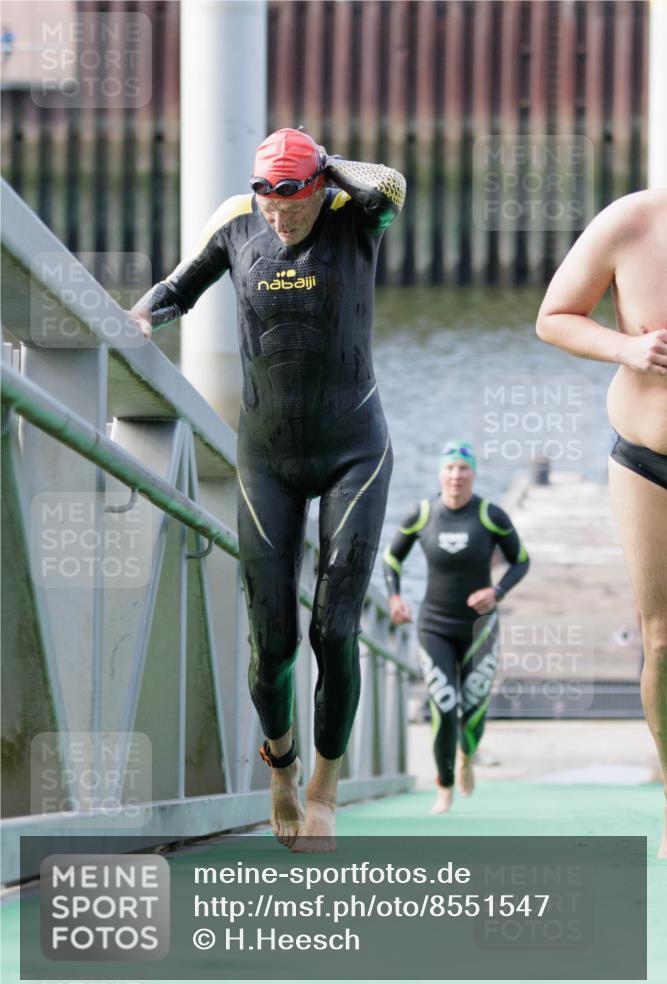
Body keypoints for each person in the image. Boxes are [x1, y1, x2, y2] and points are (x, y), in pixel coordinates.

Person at [129, 127, 405, 851]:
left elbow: (391, 182)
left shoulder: (355, 221)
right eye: (267, 199)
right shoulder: (239, 228)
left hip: (354, 451)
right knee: (273, 642)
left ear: (317, 188)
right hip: (266, 460)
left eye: (292, 199)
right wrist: (136, 317)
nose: (279, 217)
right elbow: (176, 290)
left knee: (334, 629)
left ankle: (324, 787)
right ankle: (279, 769)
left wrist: (322, 167)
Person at [536, 188, 667, 857]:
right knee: (661, 638)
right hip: (646, 458)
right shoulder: (631, 222)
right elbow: (554, 318)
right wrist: (626, 348)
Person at [384, 440, 529, 813]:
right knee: (445, 705)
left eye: (463, 468)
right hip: (435, 627)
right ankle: (444, 786)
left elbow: (521, 561)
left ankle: (468, 754)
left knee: (474, 711)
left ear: (473, 474)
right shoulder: (422, 514)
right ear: (440, 474)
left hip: (480, 629)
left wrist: (496, 591)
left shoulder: (489, 515)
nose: (456, 476)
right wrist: (395, 597)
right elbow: (391, 559)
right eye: (449, 468)